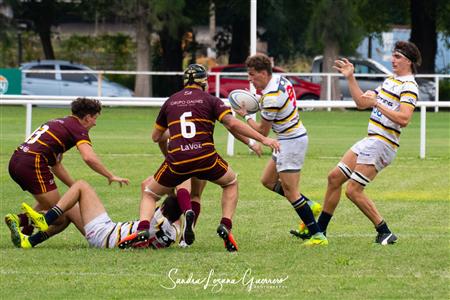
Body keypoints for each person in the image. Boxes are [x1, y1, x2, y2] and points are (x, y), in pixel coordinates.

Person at [119, 64, 280, 252]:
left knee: (149, 192)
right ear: (204, 82)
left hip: (178, 159)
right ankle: (225, 225)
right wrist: (262, 139)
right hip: (206, 158)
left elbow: (156, 137)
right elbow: (231, 124)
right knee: (230, 183)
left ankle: (143, 229)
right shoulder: (211, 100)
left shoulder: (171, 102)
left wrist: (175, 133)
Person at [312, 41, 422, 245]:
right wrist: (350, 77)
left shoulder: (409, 86)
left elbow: (404, 119)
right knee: (334, 177)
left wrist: (377, 103)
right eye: (393, 55)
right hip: (371, 139)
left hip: (383, 142)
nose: (392, 60)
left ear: (409, 61)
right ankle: (319, 232)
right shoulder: (390, 81)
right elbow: (361, 103)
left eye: (397, 57)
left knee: (353, 190)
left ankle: (385, 231)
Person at [5, 97, 129, 247]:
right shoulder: (78, 128)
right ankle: (19, 219)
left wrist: (76, 190)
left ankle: (24, 236)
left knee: (50, 202)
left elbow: (56, 165)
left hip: (16, 160)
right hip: (33, 162)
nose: (95, 123)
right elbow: (88, 157)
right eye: (95, 118)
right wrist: (110, 175)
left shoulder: (58, 123)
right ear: (88, 117)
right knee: (59, 216)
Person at [234, 53, 328, 246]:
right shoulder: (280, 80)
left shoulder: (271, 98)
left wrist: (245, 115)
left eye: (252, 75)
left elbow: (262, 130)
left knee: (291, 192)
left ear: (263, 73)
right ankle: (310, 205)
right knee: (267, 181)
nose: (249, 79)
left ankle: (318, 235)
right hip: (288, 138)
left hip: (290, 142)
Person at [12, 180, 184, 249]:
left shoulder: (155, 218)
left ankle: (39, 219)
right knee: (70, 210)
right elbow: (178, 208)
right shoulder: (175, 232)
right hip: (109, 239)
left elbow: (148, 186)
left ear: (162, 208)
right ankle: (29, 241)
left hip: (105, 234)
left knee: (81, 186)